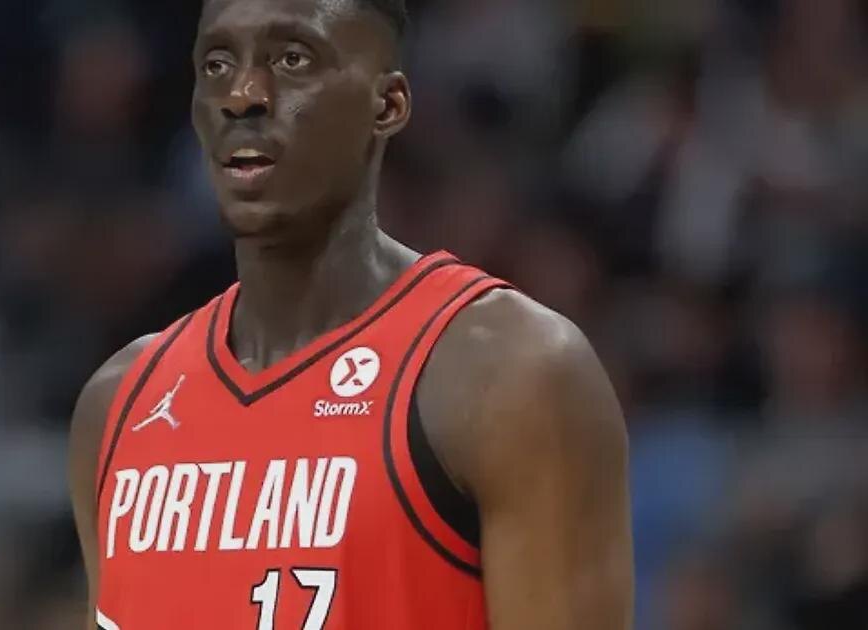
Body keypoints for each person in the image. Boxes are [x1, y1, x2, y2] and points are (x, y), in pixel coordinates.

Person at [68, 0, 634, 628]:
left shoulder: (511, 373)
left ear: (386, 105)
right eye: (217, 65)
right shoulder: (119, 402)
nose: (243, 95)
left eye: (292, 59)